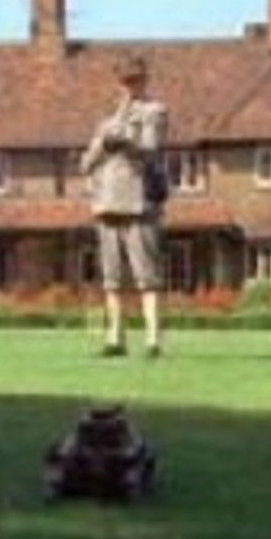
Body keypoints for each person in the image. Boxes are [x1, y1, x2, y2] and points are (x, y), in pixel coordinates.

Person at [80, 54, 169, 358]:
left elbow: (151, 150)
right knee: (112, 278)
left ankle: (153, 340)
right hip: (107, 202)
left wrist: (127, 143)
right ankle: (115, 338)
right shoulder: (106, 123)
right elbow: (86, 163)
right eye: (124, 82)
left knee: (147, 275)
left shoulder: (154, 112)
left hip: (138, 202)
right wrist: (104, 145)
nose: (129, 87)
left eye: (135, 81)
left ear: (144, 81)